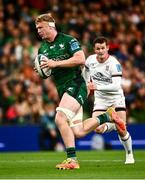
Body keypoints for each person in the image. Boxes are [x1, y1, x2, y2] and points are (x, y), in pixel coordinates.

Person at [35, 13, 125, 170]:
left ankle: (72, 160)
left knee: (59, 118)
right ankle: (108, 115)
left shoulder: (68, 40)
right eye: (37, 28)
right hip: (63, 89)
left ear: (51, 26)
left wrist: (55, 64)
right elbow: (47, 71)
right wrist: (43, 70)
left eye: (41, 27)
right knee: (78, 132)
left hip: (76, 84)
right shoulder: (42, 48)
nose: (38, 31)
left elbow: (80, 59)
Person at [83, 36, 135, 164]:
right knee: (97, 129)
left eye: (102, 48)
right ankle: (113, 119)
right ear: (94, 50)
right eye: (97, 48)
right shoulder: (90, 60)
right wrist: (86, 85)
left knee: (122, 129)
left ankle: (129, 155)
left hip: (116, 98)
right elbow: (85, 71)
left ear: (107, 48)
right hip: (100, 100)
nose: (100, 51)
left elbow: (117, 86)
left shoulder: (114, 63)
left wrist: (96, 86)